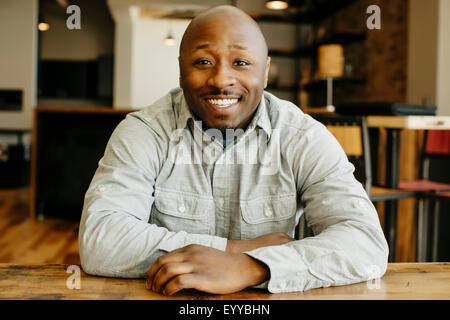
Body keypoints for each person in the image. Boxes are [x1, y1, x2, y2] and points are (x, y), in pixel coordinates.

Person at [78, 5, 388, 295]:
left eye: (241, 63)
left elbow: (365, 242)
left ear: (265, 72)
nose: (221, 79)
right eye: (202, 62)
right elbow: (100, 239)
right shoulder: (145, 132)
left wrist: (254, 266)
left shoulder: (302, 136)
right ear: (181, 70)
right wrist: (234, 250)